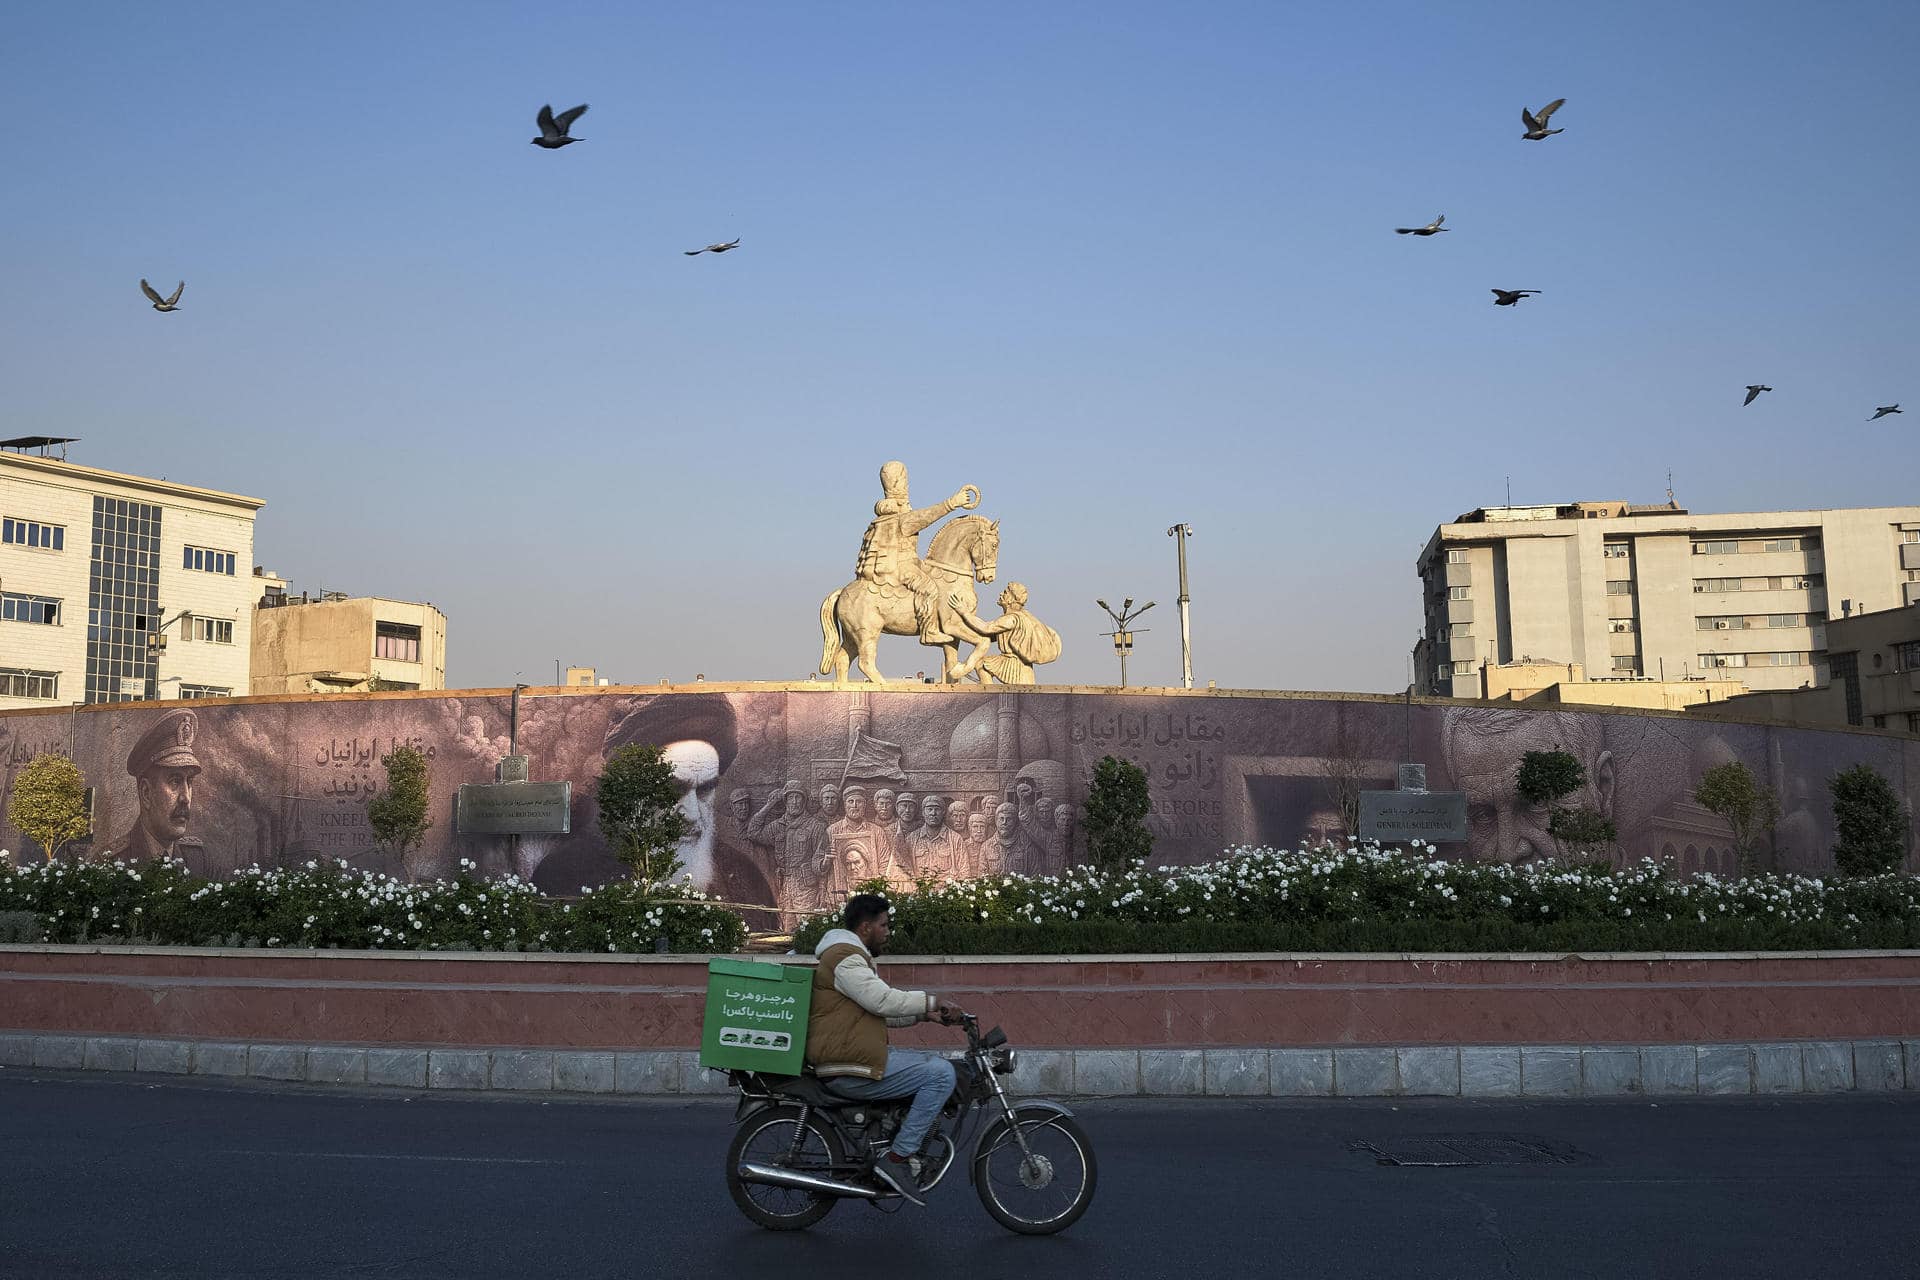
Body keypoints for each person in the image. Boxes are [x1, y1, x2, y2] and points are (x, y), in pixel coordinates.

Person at [805, 893, 965, 1205]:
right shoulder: (845, 958)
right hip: (845, 1062)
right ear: (865, 927)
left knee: (928, 1067)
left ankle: (893, 1144)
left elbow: (879, 1011)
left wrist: (925, 1015)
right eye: (884, 925)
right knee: (941, 1074)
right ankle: (896, 1160)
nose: (888, 931)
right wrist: (932, 1000)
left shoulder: (849, 956)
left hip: (850, 1055)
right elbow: (882, 1000)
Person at [853, 460, 980, 645]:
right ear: (900, 483)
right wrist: (953, 502)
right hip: (902, 567)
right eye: (905, 481)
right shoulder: (901, 518)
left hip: (898, 565)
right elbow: (926, 517)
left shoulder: (881, 519)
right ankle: (929, 631)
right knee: (930, 588)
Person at [111, 709, 203, 860]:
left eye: (189, 781)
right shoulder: (112, 863)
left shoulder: (198, 860)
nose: (185, 798)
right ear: (146, 793)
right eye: (175, 781)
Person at [747, 779, 829, 910]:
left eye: (798, 797)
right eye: (791, 797)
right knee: (785, 927)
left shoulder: (815, 826)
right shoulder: (777, 826)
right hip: (783, 885)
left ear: (804, 801)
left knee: (805, 925)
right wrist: (769, 805)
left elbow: (820, 861)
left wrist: (822, 890)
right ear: (786, 801)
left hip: (805, 887)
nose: (795, 802)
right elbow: (753, 833)